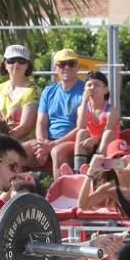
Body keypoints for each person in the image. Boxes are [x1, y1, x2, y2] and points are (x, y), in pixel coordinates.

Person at [79, 138, 130, 260]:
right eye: (115, 158)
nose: (119, 162)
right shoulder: (111, 187)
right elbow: (83, 205)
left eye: (123, 157)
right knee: (124, 253)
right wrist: (90, 173)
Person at [32, 48, 85, 177]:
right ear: (56, 68)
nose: (66, 67)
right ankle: (17, 193)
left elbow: (81, 127)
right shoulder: (48, 91)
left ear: (77, 67)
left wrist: (52, 146)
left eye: (71, 63)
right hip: (48, 142)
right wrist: (42, 146)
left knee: (57, 152)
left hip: (73, 142)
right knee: (17, 152)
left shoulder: (85, 91)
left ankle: (60, 196)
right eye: (61, 64)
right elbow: (41, 123)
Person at [0, 44, 40, 145]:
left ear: (28, 65)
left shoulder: (32, 91)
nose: (16, 64)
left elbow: (25, 128)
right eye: (11, 61)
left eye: (21, 61)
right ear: (5, 64)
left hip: (20, 145)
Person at [73, 71, 120, 173]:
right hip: (90, 145)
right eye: (89, 85)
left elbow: (108, 130)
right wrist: (84, 102)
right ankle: (78, 171)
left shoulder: (112, 110)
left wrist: (95, 140)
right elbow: (80, 127)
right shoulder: (82, 108)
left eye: (97, 85)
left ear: (106, 90)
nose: (92, 88)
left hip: (106, 145)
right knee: (81, 133)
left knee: (108, 134)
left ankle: (95, 169)